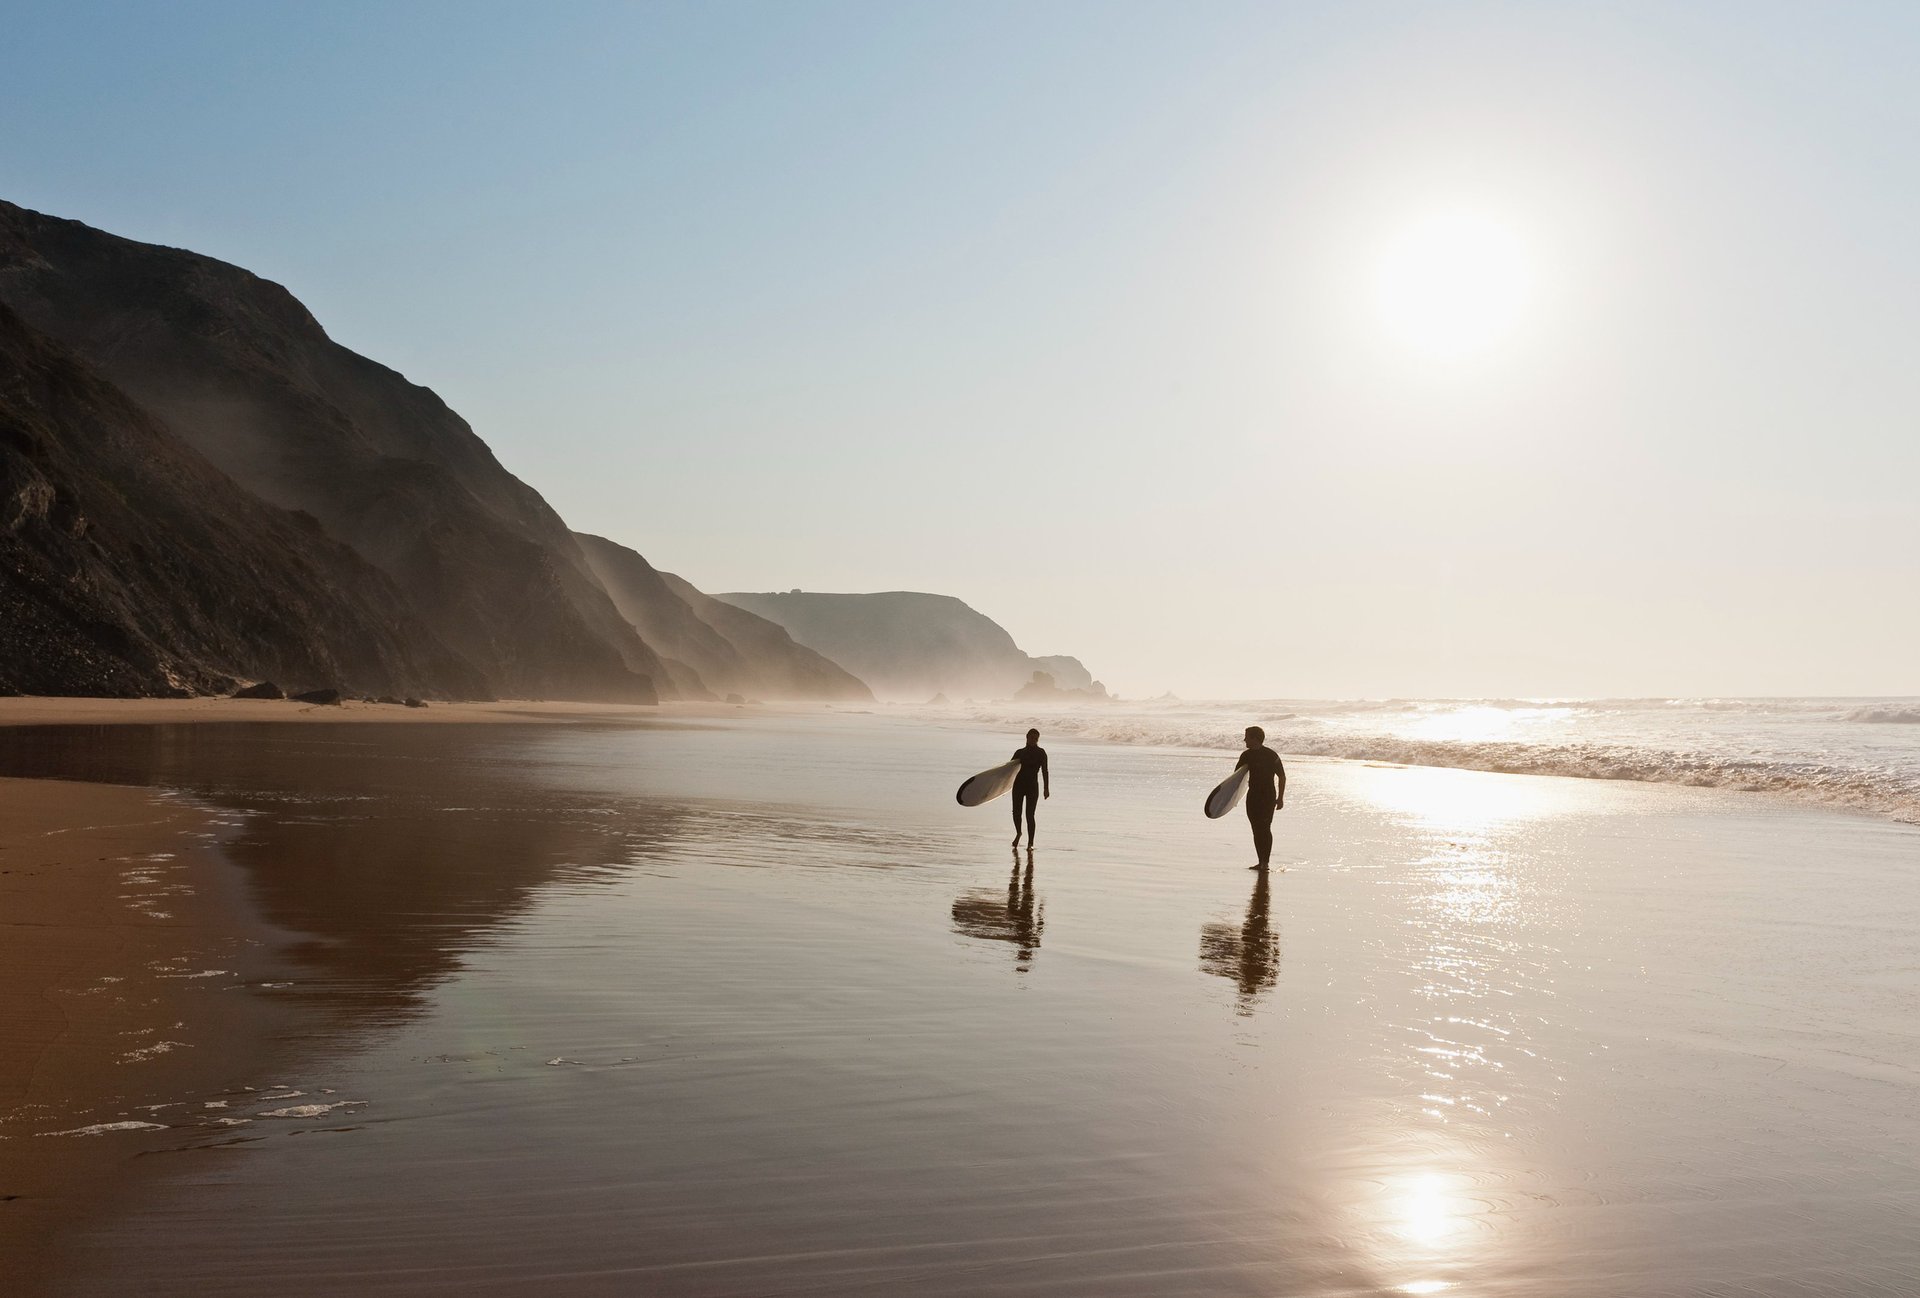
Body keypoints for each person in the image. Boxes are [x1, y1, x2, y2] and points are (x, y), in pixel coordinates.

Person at [1235, 725, 1285, 870]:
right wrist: (1232, 799)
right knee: (1256, 829)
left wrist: (1280, 798)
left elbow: (1282, 776)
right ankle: (1261, 861)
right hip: (1253, 796)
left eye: (1247, 737)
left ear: (1255, 738)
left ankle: (1265, 862)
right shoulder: (1246, 755)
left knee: (1265, 828)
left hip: (1268, 796)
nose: (1244, 739)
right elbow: (1237, 777)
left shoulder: (1271, 755)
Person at [1010, 728, 1050, 848]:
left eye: (1036, 739)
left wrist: (1046, 788)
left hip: (1032, 787)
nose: (1033, 740)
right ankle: (1018, 833)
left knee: (1030, 814)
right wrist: (1002, 786)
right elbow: (1009, 770)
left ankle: (1030, 842)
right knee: (1016, 812)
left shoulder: (1041, 753)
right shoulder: (1019, 752)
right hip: (1018, 786)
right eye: (1031, 738)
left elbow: (1045, 771)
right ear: (1027, 737)